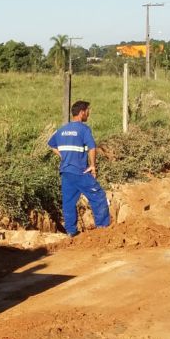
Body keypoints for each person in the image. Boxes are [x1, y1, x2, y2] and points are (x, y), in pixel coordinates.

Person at [48, 100, 111, 237]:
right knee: (98, 196)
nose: (89, 113)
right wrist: (93, 166)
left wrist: (64, 156)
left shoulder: (62, 130)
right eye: (88, 111)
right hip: (80, 171)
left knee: (69, 202)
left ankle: (71, 232)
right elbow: (92, 147)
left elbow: (51, 144)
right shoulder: (84, 129)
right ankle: (104, 230)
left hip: (66, 171)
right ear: (82, 112)